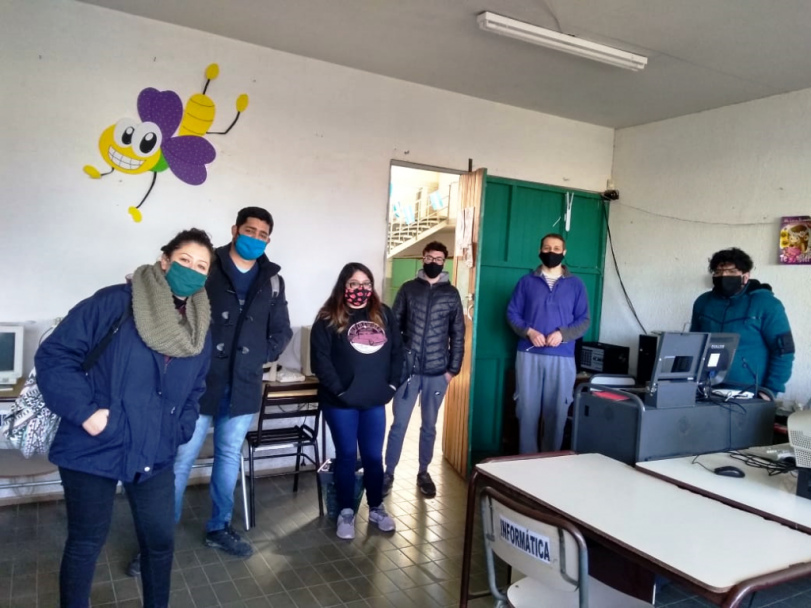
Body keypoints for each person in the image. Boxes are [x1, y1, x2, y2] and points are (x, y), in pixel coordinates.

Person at [36, 228, 214, 608]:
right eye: (184, 261)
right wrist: (86, 413)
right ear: (164, 260)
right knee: (86, 542)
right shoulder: (115, 303)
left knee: (160, 542)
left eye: (202, 266)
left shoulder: (198, 328)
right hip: (95, 441)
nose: (192, 271)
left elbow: (197, 386)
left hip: (156, 446)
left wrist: (181, 427)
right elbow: (55, 357)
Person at [168, 207, 292, 559]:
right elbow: (177, 314)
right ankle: (159, 536)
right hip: (198, 384)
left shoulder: (273, 279)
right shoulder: (207, 267)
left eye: (262, 235)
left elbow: (281, 329)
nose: (255, 238)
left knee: (227, 458)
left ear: (268, 239)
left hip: (243, 385)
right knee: (181, 459)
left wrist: (259, 356)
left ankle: (219, 527)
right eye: (249, 231)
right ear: (235, 229)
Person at [310, 262, 402, 540]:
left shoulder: (383, 314)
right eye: (354, 283)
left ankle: (376, 507)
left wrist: (392, 386)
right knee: (347, 456)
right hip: (341, 403)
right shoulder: (328, 317)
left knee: (374, 457)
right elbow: (320, 361)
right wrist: (340, 391)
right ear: (343, 285)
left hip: (374, 400)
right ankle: (346, 512)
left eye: (366, 283)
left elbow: (398, 352)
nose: (360, 289)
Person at [383, 241, 464, 498]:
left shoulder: (451, 294)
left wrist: (452, 370)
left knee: (429, 425)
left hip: (437, 372)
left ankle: (423, 472)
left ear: (445, 262)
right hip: (408, 371)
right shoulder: (408, 289)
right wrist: (394, 364)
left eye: (439, 259)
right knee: (399, 424)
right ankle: (389, 472)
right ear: (423, 258)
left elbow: (458, 334)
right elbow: (393, 328)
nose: (434, 262)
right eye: (430, 257)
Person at [506, 233, 590, 454]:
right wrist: (528, 331)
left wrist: (563, 334)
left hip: (562, 357)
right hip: (529, 354)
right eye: (546, 248)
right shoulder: (526, 282)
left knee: (557, 412)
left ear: (564, 253)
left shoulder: (576, 285)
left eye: (556, 248)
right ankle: (527, 462)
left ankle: (550, 464)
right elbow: (512, 313)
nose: (551, 252)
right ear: (539, 251)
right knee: (526, 411)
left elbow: (584, 320)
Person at [690, 247, 794, 397]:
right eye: (718, 272)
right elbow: (693, 345)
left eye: (732, 272)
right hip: (705, 389)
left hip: (750, 393)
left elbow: (784, 350)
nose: (724, 276)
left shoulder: (767, 304)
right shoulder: (703, 302)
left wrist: (770, 391)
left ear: (746, 276)